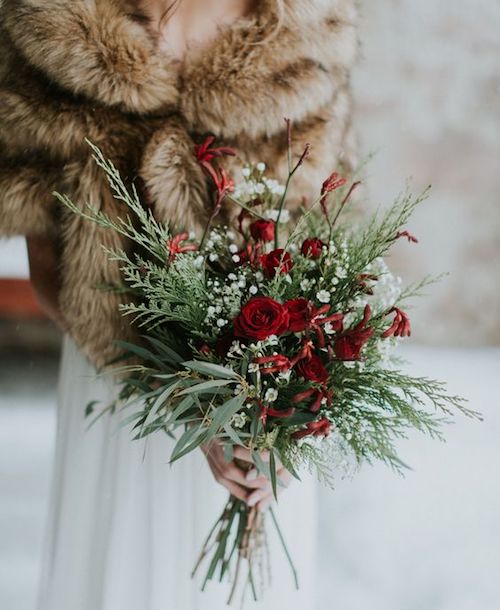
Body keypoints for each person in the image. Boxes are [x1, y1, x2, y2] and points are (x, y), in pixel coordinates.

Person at [0, 0, 358, 607]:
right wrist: (187, 407)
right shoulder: (54, 23)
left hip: (259, 405)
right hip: (119, 383)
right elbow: (46, 265)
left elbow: (321, 230)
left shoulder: (310, 28)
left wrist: (278, 416)